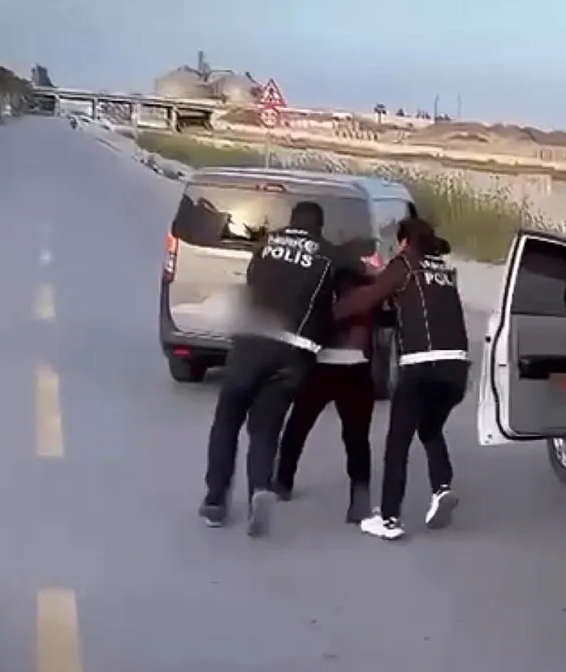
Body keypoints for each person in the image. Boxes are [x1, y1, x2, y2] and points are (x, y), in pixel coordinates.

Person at [198, 200, 363, 537]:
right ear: (319, 226)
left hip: (253, 341)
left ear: (291, 221)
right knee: (265, 429)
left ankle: (215, 502)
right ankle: (260, 487)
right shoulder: (328, 255)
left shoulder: (266, 245)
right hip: (295, 353)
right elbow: (354, 276)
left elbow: (253, 284)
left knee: (227, 420)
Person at [334, 218, 469, 541]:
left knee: (397, 443)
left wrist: (330, 314)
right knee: (430, 427)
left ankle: (389, 518)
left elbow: (368, 297)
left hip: (422, 364)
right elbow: (413, 309)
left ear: (406, 241)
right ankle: (442, 487)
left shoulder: (404, 265)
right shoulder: (444, 271)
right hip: (457, 369)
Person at [272, 242, 383, 523]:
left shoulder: (321, 290)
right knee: (357, 438)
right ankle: (359, 499)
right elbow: (384, 322)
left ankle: (283, 482)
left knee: (298, 426)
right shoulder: (368, 292)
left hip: (321, 368)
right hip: (357, 369)